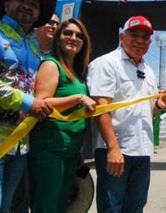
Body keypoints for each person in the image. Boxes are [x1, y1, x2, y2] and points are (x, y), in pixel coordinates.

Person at [87, 15, 166, 212]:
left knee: (136, 207)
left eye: (145, 37)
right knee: (112, 207)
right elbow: (101, 108)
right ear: (121, 37)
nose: (139, 40)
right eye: (133, 34)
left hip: (142, 151)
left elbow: (146, 113)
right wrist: (113, 148)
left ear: (149, 42)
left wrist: (159, 106)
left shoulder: (148, 71)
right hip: (116, 151)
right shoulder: (106, 64)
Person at [0, 0, 56, 212]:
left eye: (33, 4)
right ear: (6, 5)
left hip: (20, 145)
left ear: (38, 14)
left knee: (5, 208)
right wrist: (27, 103)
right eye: (20, 0)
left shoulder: (35, 47)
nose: (27, 5)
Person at [28, 19, 95, 212]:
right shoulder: (51, 65)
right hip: (49, 148)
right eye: (67, 33)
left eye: (78, 35)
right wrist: (78, 98)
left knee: (60, 205)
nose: (73, 38)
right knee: (46, 206)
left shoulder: (78, 72)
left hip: (70, 151)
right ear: (58, 37)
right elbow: (41, 103)